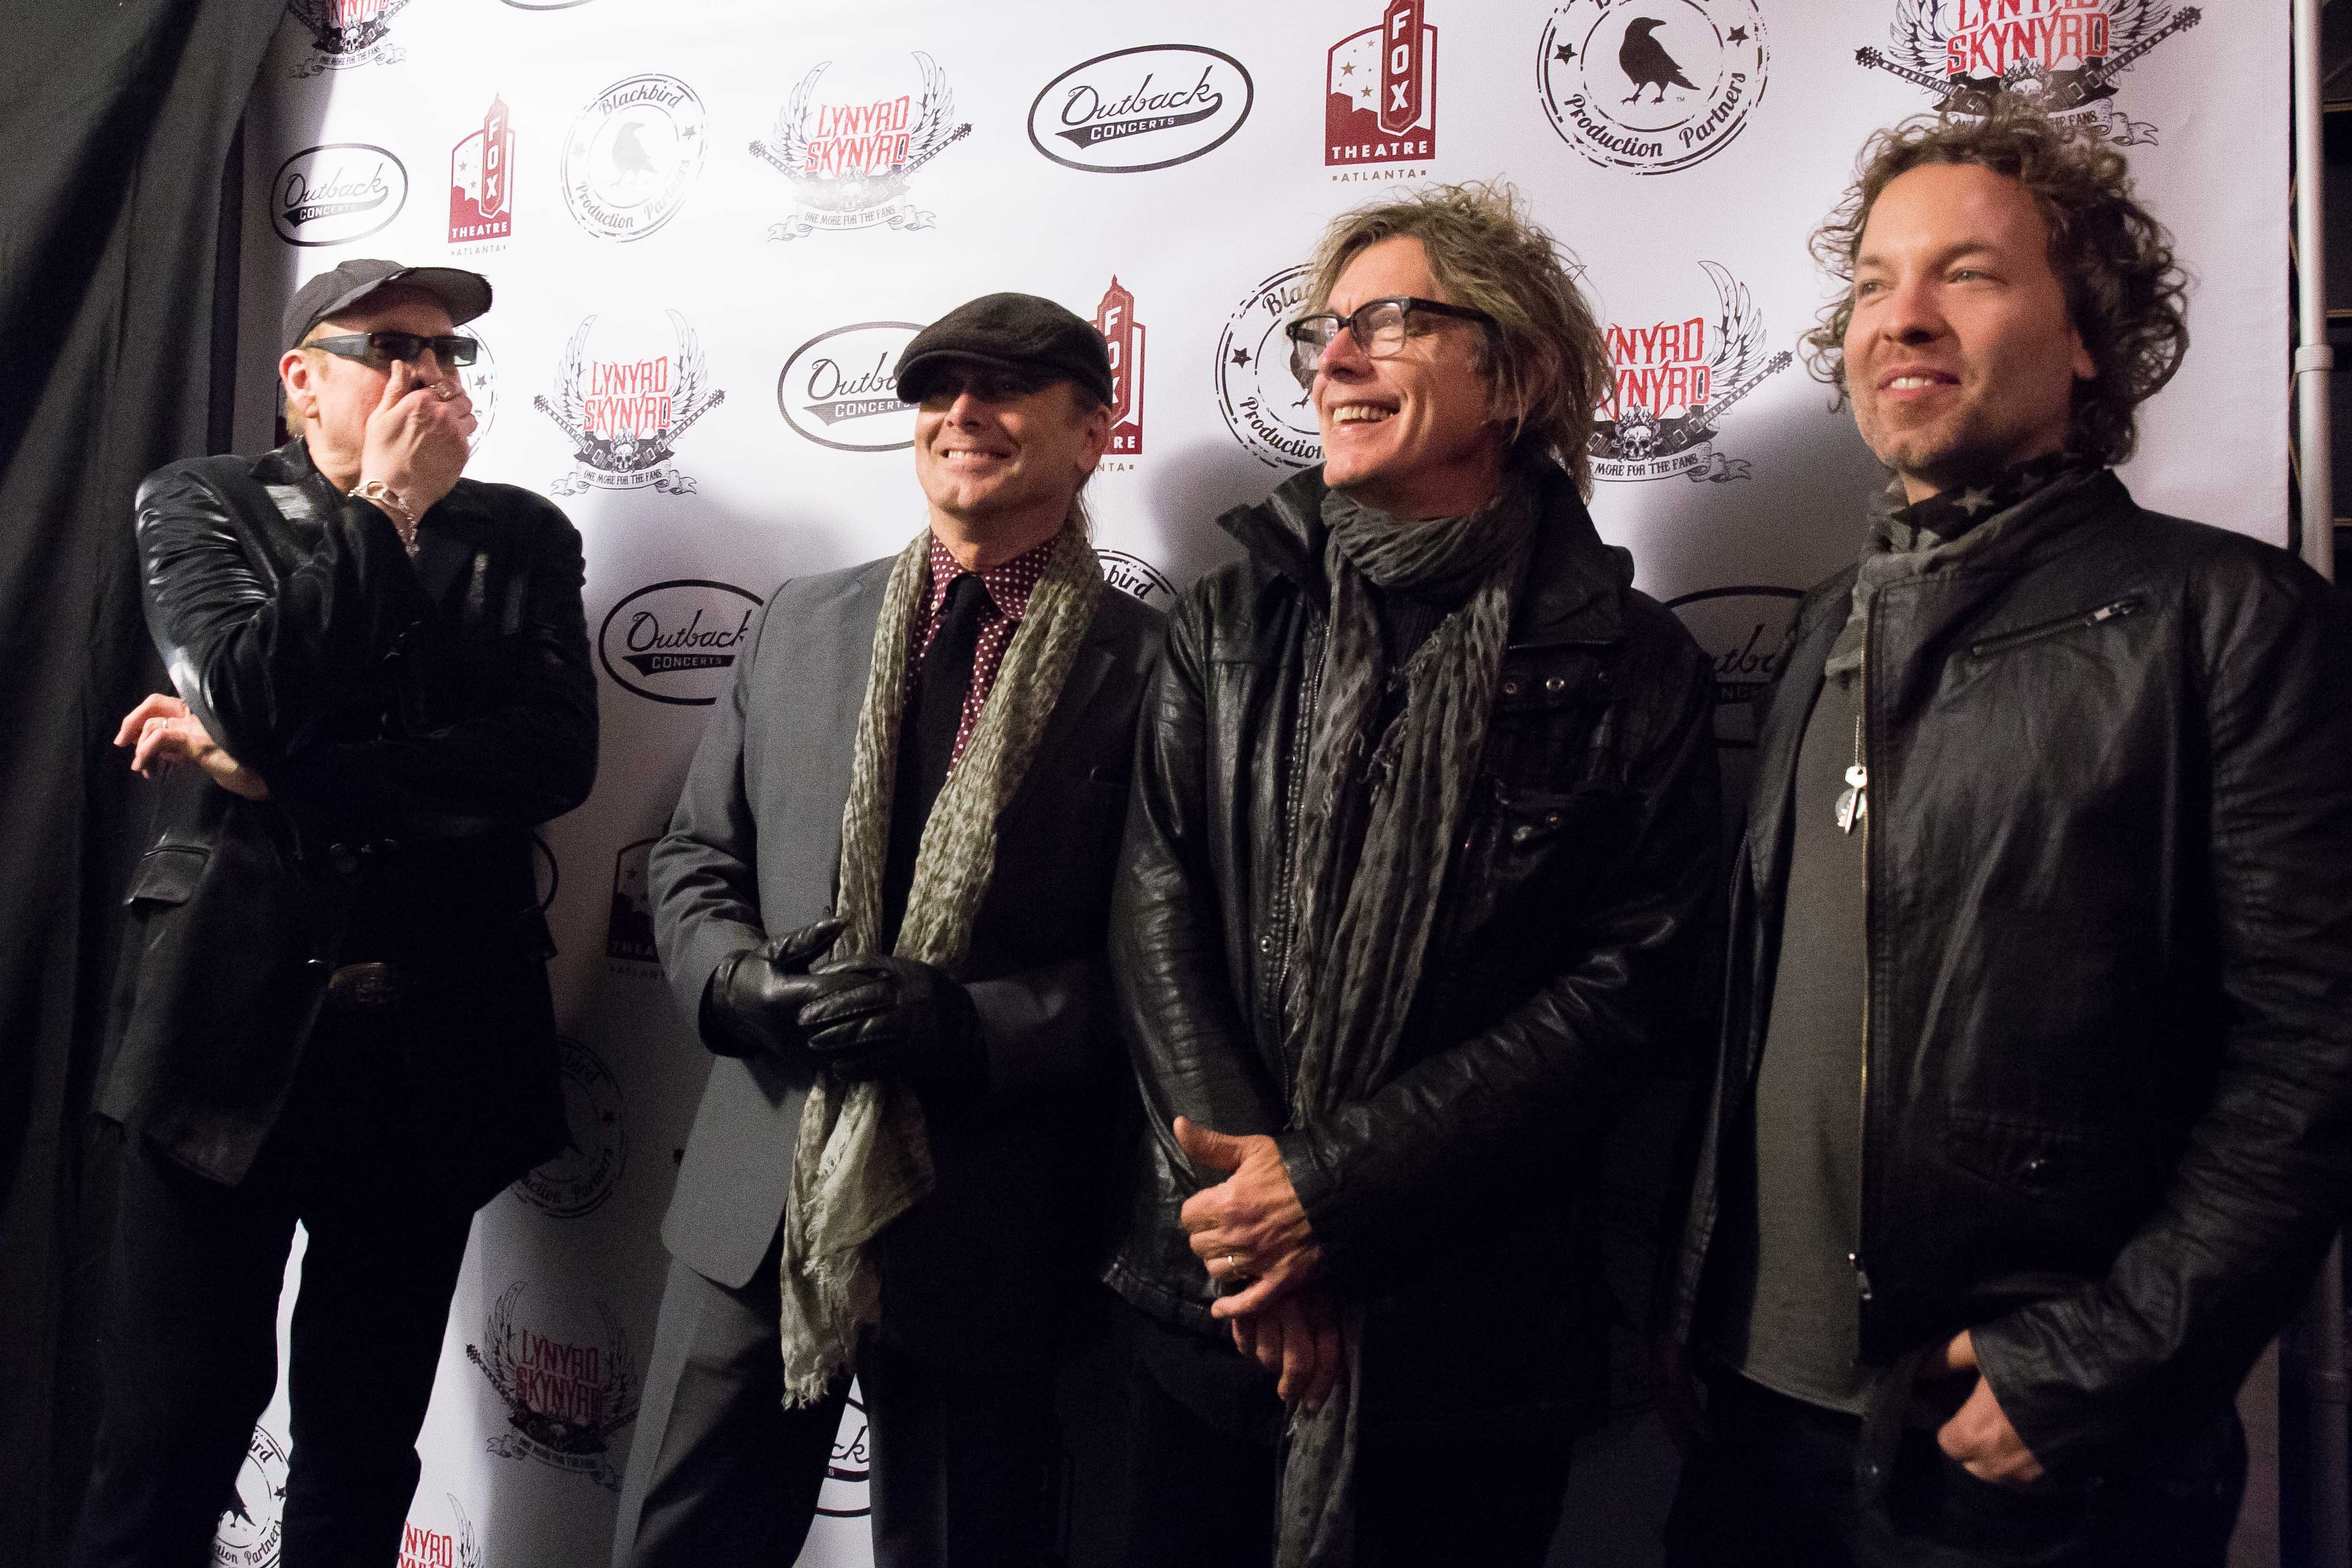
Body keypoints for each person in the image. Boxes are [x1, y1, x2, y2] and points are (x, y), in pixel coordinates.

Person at [1660, 100, 2352, 1568]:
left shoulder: (2228, 620)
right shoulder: (1833, 623)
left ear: (2088, 332)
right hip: (1751, 1428)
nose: (1901, 316)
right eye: (1871, 284)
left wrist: (2094, 1364)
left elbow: (2318, 1047)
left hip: (2023, 1460)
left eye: (1967, 273)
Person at [1102, 181, 1722, 1568]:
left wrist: (1332, 1190)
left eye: (1392, 322)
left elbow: (1632, 987)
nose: (1334, 358)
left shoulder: (1635, 664)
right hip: (1214, 1316)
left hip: (1470, 1335)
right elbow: (1158, 914)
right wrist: (1255, 1226)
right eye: (1324, 330)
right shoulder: (1227, 618)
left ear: (1519, 371)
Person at [612, 293, 1163, 1568]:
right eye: (937, 388)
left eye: (1005, 386)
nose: (961, 412)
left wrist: (967, 1024)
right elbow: (697, 856)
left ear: (1093, 434)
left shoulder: (1159, 664)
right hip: (760, 1192)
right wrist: (737, 986)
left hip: (993, 1218)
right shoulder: (801, 620)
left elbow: (1163, 957)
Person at [74, 257, 597, 1567]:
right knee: (167, 1438)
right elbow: (249, 681)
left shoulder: (524, 534)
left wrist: (274, 775)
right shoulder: (199, 500)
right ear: (304, 379)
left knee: (364, 1447)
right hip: (226, 1040)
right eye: (392, 347)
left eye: (450, 355)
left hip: (429, 1050)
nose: (431, 373)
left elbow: (545, 759)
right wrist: (383, 512)